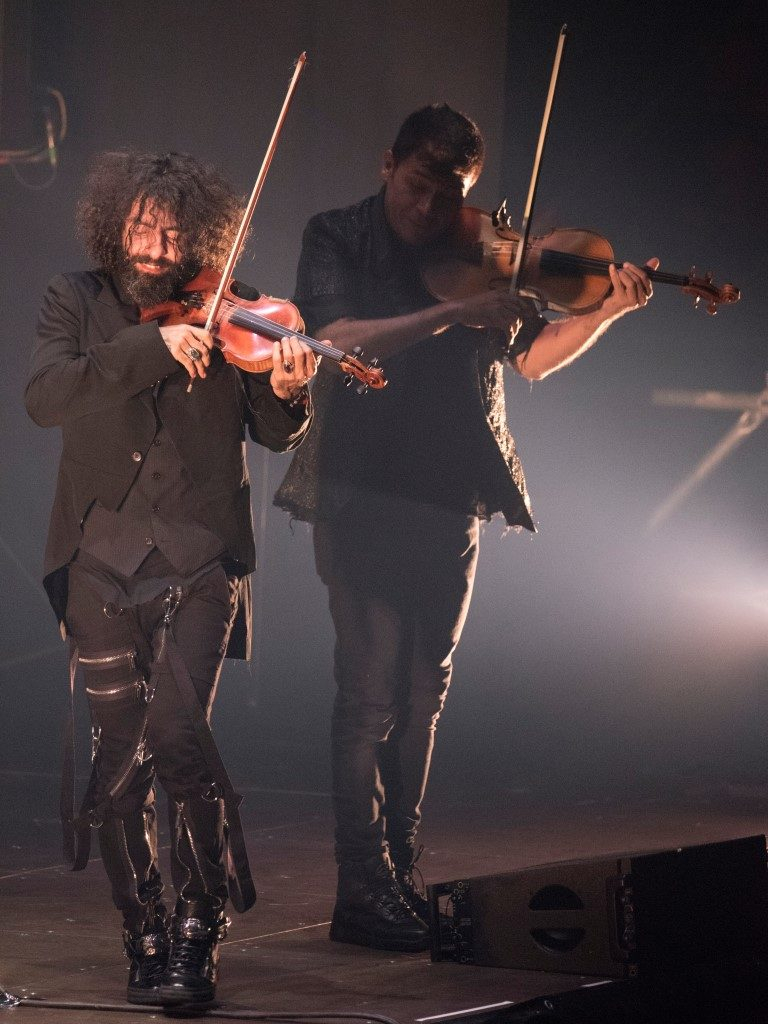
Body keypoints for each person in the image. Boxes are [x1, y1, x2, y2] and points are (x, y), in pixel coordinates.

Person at [274, 104, 657, 952]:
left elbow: (529, 358)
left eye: (448, 197)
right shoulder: (335, 234)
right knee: (368, 691)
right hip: (358, 488)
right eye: (417, 188)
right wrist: (450, 313)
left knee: (423, 693)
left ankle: (402, 873)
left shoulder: (482, 249)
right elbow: (337, 341)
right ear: (388, 164)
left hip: (451, 491)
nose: (427, 211)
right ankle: (359, 886)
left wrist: (603, 313)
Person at [25, 150, 317, 1006]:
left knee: (184, 744)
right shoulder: (73, 301)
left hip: (199, 558)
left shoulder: (234, 307)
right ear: (115, 223)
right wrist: (150, 346)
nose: (155, 244)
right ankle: (141, 925)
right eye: (141, 225)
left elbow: (271, 430)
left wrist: (292, 393)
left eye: (172, 229)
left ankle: (201, 924)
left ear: (200, 235)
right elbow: (47, 396)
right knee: (117, 757)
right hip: (98, 558)